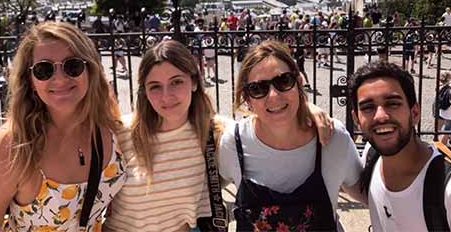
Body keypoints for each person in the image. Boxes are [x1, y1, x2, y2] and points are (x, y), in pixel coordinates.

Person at [104, 39, 333, 232]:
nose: (167, 96)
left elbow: (266, 121)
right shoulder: (121, 133)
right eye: (155, 86)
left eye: (176, 82)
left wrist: (308, 109)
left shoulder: (215, 133)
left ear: (194, 82)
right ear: (144, 90)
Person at [0, 21, 127, 231]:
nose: (60, 79)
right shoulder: (12, 147)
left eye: (73, 65)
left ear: (90, 70)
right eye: (44, 69)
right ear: (31, 80)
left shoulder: (106, 119)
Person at [218, 40, 363, 232]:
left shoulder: (333, 137)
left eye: (283, 81)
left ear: (299, 83)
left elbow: (371, 192)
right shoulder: (233, 143)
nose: (274, 95)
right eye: (258, 89)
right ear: (248, 99)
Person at [349, 61, 451, 232]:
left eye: (392, 103)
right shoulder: (372, 156)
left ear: (415, 113)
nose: (380, 116)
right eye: (368, 107)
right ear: (357, 120)